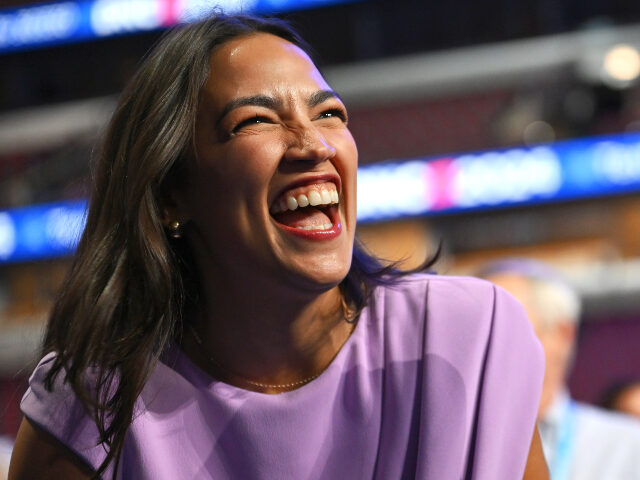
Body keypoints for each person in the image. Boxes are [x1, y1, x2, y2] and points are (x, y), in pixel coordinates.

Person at [9, 14, 547, 479]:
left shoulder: (470, 337)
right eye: (256, 121)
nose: (314, 143)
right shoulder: (89, 413)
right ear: (171, 195)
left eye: (330, 113)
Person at [479, 258, 640, 480]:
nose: (483, 348)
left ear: (562, 333)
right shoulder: (449, 448)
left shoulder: (628, 447)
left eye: (502, 330)